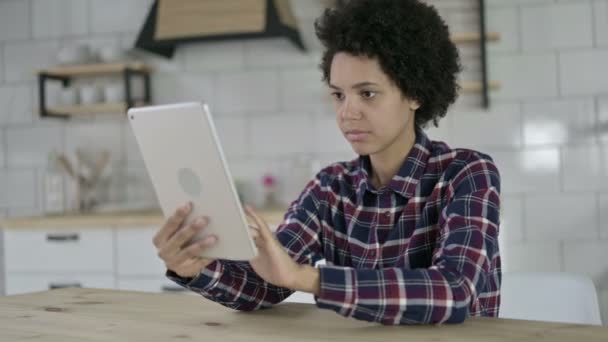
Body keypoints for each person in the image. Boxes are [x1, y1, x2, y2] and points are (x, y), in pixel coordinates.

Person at [152, 0, 501, 325]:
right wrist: (195, 268)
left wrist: (308, 278)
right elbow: (266, 284)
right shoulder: (329, 189)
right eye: (338, 94)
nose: (347, 112)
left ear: (415, 93)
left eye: (367, 93)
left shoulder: (466, 174)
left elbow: (455, 292)